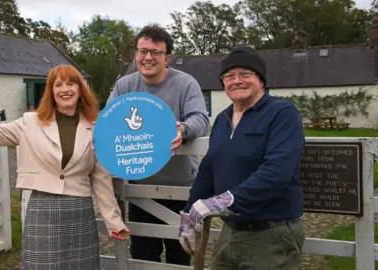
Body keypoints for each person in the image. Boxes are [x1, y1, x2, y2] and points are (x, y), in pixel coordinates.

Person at [0, 65, 130, 270]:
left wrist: (113, 221)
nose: (65, 89)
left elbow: (101, 178)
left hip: (79, 210)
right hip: (43, 210)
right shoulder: (30, 123)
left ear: (80, 89)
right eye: (58, 85)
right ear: (51, 91)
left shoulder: (95, 127)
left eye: (71, 84)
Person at [179, 46, 306, 269]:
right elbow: (209, 169)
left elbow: (276, 172)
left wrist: (219, 203)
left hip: (270, 236)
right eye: (229, 76)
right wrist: (189, 214)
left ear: (261, 79)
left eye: (245, 74)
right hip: (229, 233)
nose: (236, 81)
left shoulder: (282, 113)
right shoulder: (222, 119)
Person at [106, 24, 210, 265]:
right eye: (142, 51)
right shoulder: (124, 85)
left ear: (167, 57)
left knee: (180, 255)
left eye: (155, 52)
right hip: (140, 186)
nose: (148, 57)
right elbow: (108, 119)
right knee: (142, 255)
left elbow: (201, 119)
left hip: (182, 187)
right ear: (136, 54)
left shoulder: (186, 84)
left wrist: (183, 130)